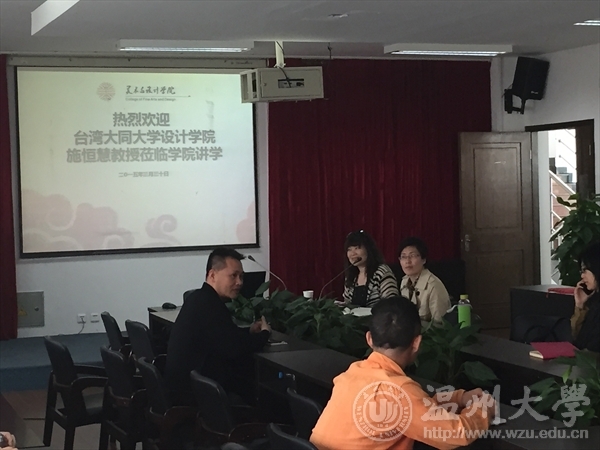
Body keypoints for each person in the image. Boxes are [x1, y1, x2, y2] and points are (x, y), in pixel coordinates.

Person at [310, 297, 494, 450]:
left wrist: (459, 398)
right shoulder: (398, 391)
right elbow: (456, 433)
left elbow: (415, 407)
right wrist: (483, 409)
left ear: (369, 339)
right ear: (416, 343)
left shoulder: (354, 372)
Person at [164, 247, 271, 404]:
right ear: (212, 275)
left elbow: (225, 335)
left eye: (241, 276)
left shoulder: (199, 298)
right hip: (194, 397)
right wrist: (264, 335)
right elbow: (233, 348)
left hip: (185, 388)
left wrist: (249, 331)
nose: (239, 282)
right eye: (233, 276)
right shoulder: (210, 305)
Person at [398, 237, 450, 324]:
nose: (407, 261)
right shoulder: (404, 282)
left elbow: (440, 325)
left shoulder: (433, 286)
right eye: (403, 257)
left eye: (412, 256)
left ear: (423, 259)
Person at [342, 230, 399, 307]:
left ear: (368, 250)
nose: (353, 253)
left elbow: (391, 303)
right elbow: (347, 304)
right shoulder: (351, 277)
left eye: (357, 248)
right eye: (349, 249)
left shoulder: (382, 271)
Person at [571, 242, 600, 352]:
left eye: (584, 270)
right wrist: (580, 307)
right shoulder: (594, 302)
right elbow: (579, 340)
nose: (582, 276)